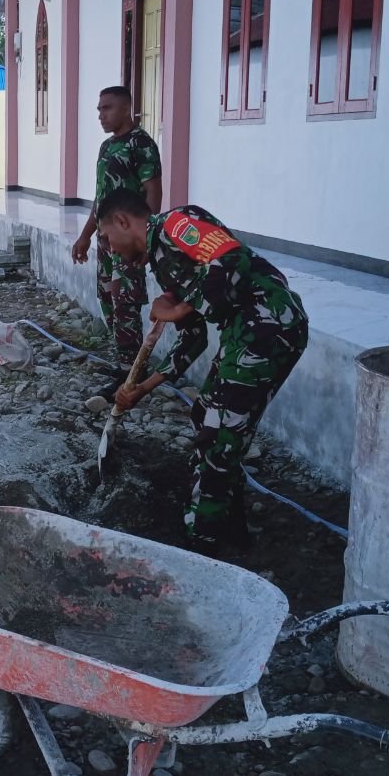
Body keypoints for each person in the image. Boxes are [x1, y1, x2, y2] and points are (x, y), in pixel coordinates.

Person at [98, 189, 308, 554]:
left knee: (217, 438)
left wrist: (181, 308)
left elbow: (230, 257)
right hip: (244, 334)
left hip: (269, 324)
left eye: (106, 237)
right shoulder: (163, 263)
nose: (110, 249)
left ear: (122, 221)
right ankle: (231, 530)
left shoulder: (176, 224)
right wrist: (144, 387)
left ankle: (201, 546)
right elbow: (193, 339)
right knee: (206, 417)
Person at [71, 86, 162, 388]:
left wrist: (146, 237)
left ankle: (132, 373)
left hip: (129, 240)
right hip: (105, 239)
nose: (101, 115)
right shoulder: (106, 147)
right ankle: (125, 362)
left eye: (107, 108)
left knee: (126, 301)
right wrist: (85, 235)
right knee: (107, 298)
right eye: (99, 109)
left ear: (126, 109)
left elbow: (153, 191)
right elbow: (101, 197)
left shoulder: (141, 144)